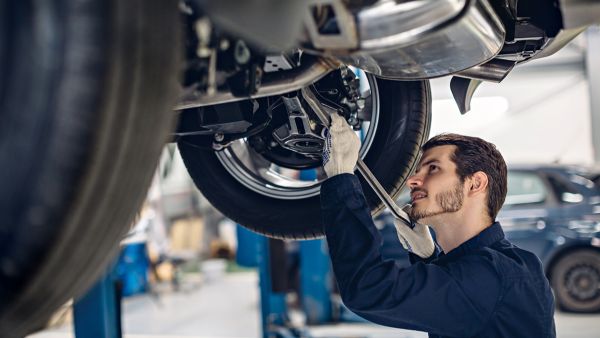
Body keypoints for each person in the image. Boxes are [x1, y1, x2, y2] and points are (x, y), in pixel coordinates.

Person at [320, 114, 556, 338]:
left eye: (433, 168)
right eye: (418, 170)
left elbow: (367, 289)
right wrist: (429, 256)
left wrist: (341, 177)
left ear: (475, 183)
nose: (413, 180)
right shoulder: (512, 265)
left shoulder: (492, 275)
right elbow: (459, 297)